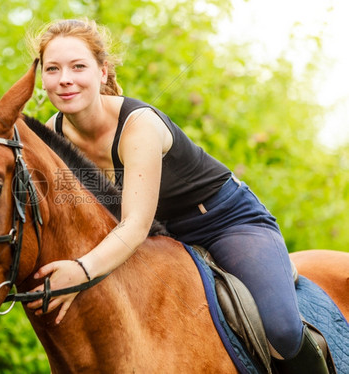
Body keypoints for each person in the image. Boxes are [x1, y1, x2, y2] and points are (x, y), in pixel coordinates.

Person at [26, 18, 329, 373]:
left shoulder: (139, 125)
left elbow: (134, 225)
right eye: (53, 69)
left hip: (222, 221)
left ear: (103, 72)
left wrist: (81, 270)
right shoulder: (52, 136)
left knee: (281, 329)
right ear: (41, 78)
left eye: (78, 66)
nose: (65, 78)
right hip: (161, 238)